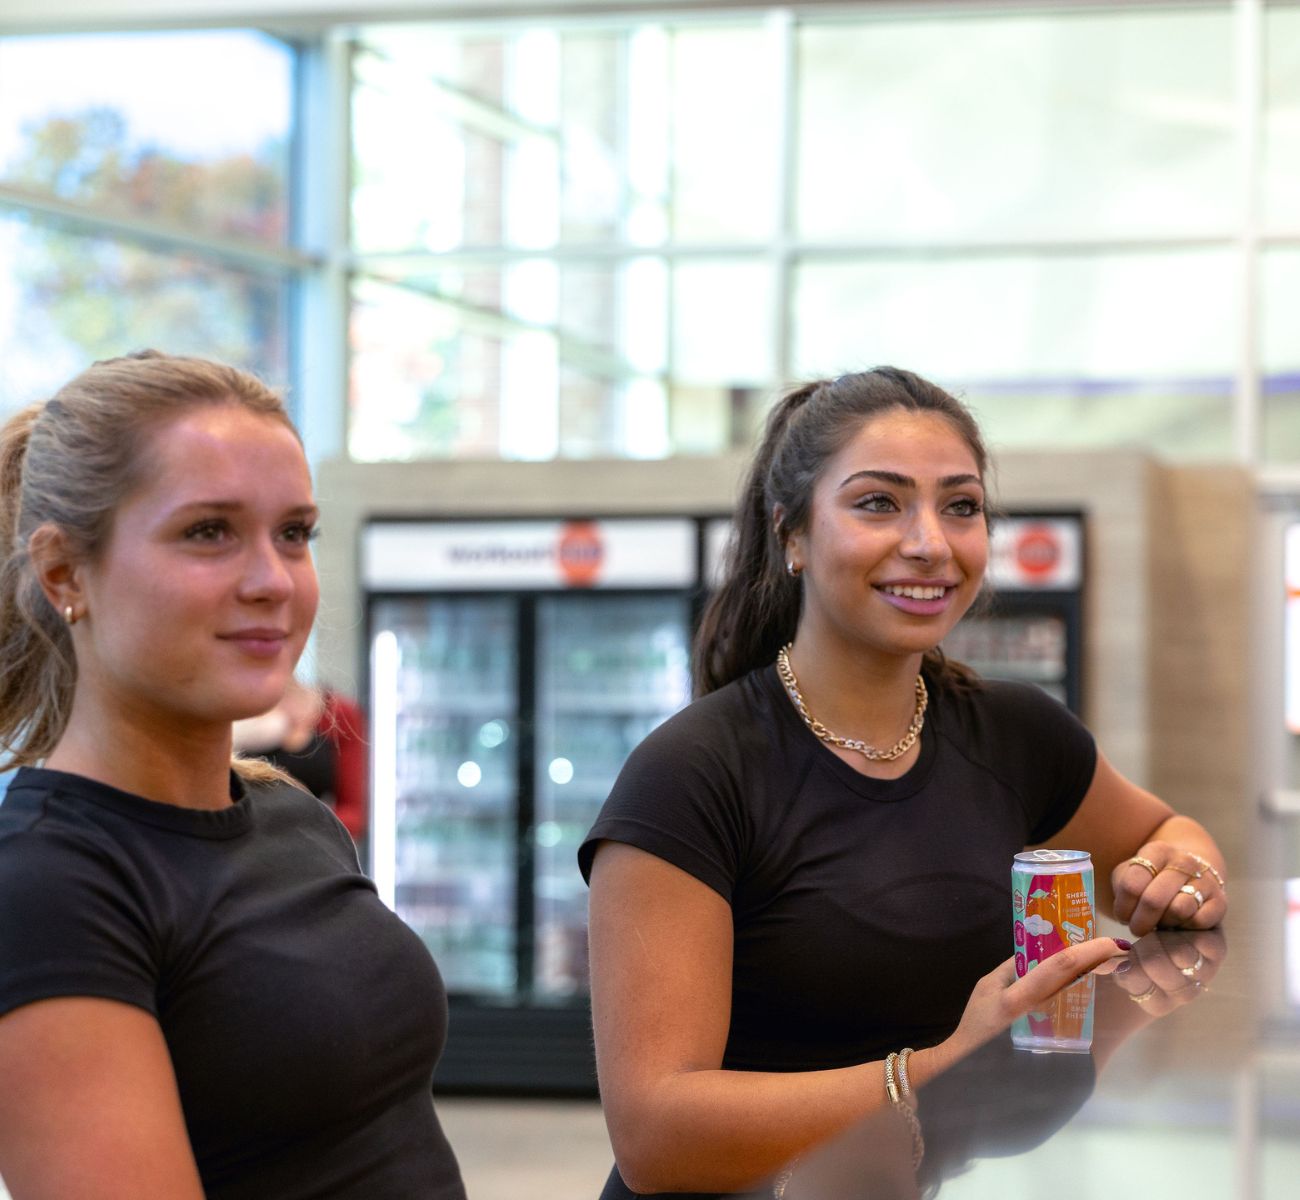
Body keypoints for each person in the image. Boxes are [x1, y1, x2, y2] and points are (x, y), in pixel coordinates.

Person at [578, 368, 1228, 1200]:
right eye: (879, 503)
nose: (930, 542)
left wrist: (1181, 872)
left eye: (960, 506)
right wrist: (944, 1062)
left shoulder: (1018, 734)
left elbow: (1165, 834)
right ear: (793, 535)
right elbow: (657, 1136)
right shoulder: (692, 774)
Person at [0, 351, 466, 1199]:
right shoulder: (47, 887)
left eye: (294, 533)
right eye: (209, 532)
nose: (272, 581)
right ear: (65, 572)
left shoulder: (289, 815)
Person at [232, 676, 369, 843]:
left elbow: (354, 815)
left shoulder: (337, 713)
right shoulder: (228, 707)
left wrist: (299, 826)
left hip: (305, 846)